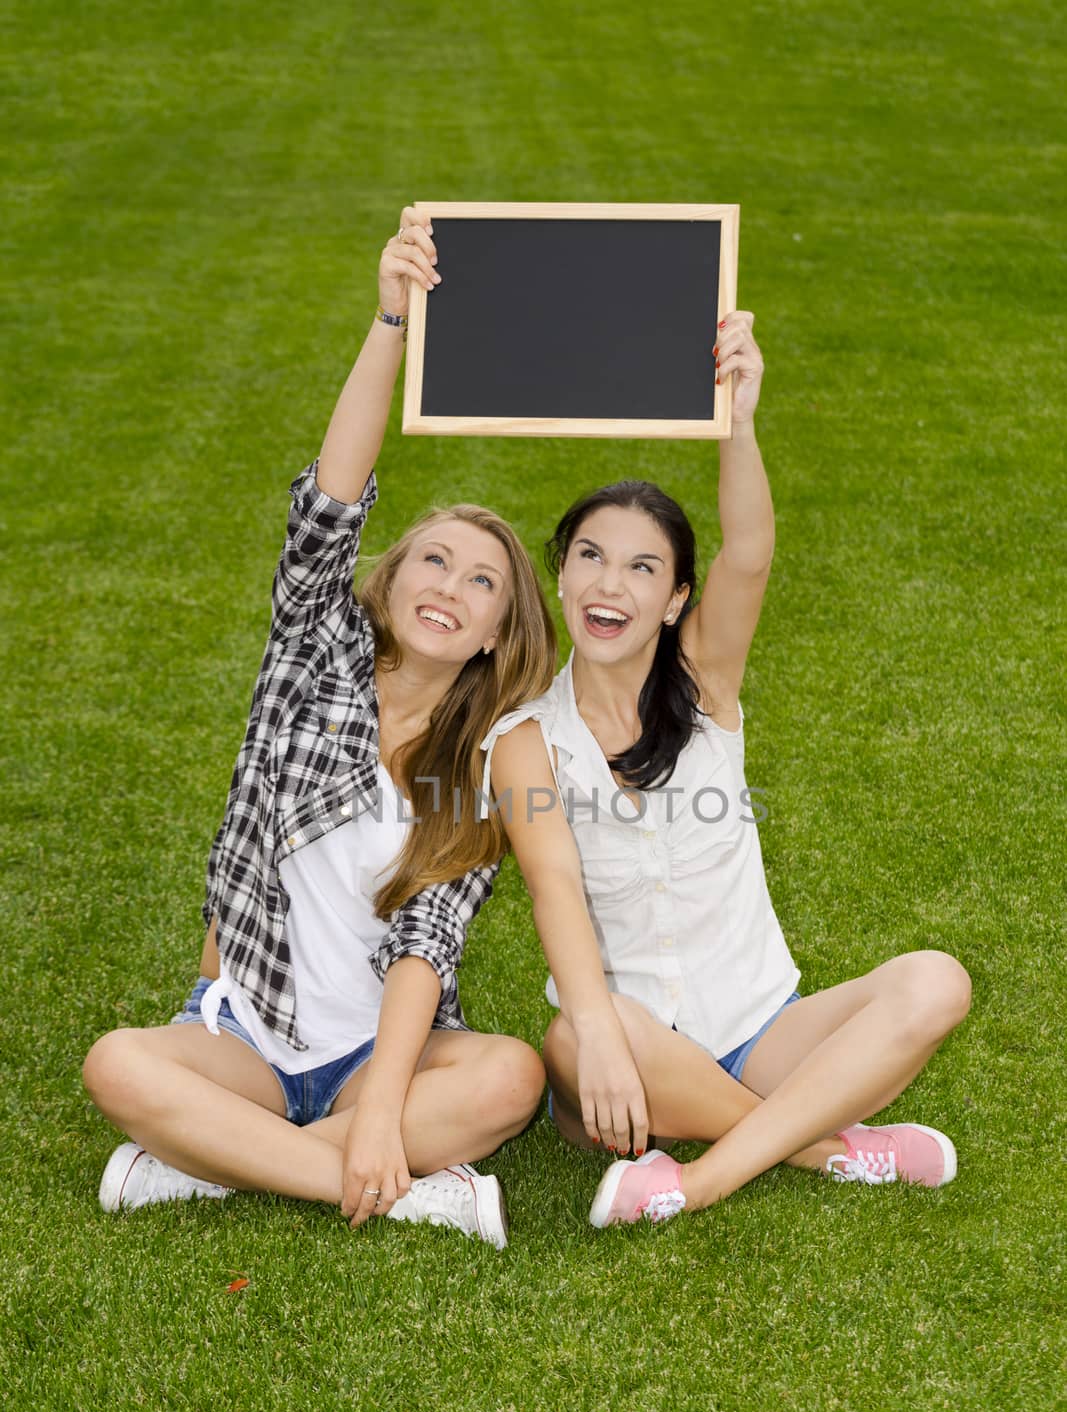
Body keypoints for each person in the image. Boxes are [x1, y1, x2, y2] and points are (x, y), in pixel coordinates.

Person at [83, 205, 555, 1248]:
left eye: (481, 583)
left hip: (376, 1049)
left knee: (511, 1075)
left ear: (491, 634)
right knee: (118, 1062)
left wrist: (383, 1101)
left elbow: (426, 942)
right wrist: (390, 322)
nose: (449, 586)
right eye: (431, 559)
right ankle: (396, 1185)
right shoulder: (314, 653)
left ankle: (211, 1160)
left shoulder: (486, 763)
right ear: (389, 582)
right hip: (251, 1035)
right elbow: (328, 507)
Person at [482, 310, 972, 1228]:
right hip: (637, 1048)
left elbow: (748, 554)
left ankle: (701, 1179)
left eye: (640, 568)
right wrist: (596, 1037)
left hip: (764, 1029)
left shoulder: (704, 685)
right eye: (588, 556)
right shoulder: (523, 740)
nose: (608, 586)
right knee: (570, 1035)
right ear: (559, 574)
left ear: (673, 602)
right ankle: (829, 1145)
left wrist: (739, 421)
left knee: (935, 980)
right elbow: (551, 891)